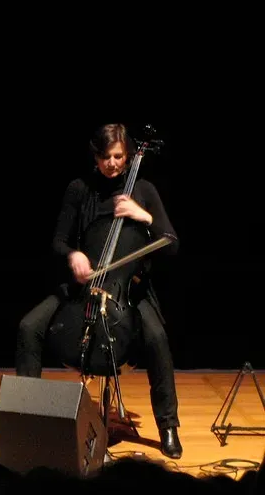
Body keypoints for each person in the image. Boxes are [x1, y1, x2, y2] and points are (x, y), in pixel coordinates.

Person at [14, 123, 183, 459]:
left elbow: (171, 245)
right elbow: (59, 241)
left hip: (128, 291)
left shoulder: (144, 190)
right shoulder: (80, 189)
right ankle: (25, 419)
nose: (112, 163)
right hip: (85, 285)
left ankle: (168, 426)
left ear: (129, 155)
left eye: (118, 156)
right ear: (95, 156)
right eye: (105, 156)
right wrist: (74, 255)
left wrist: (143, 216)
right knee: (28, 327)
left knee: (157, 339)